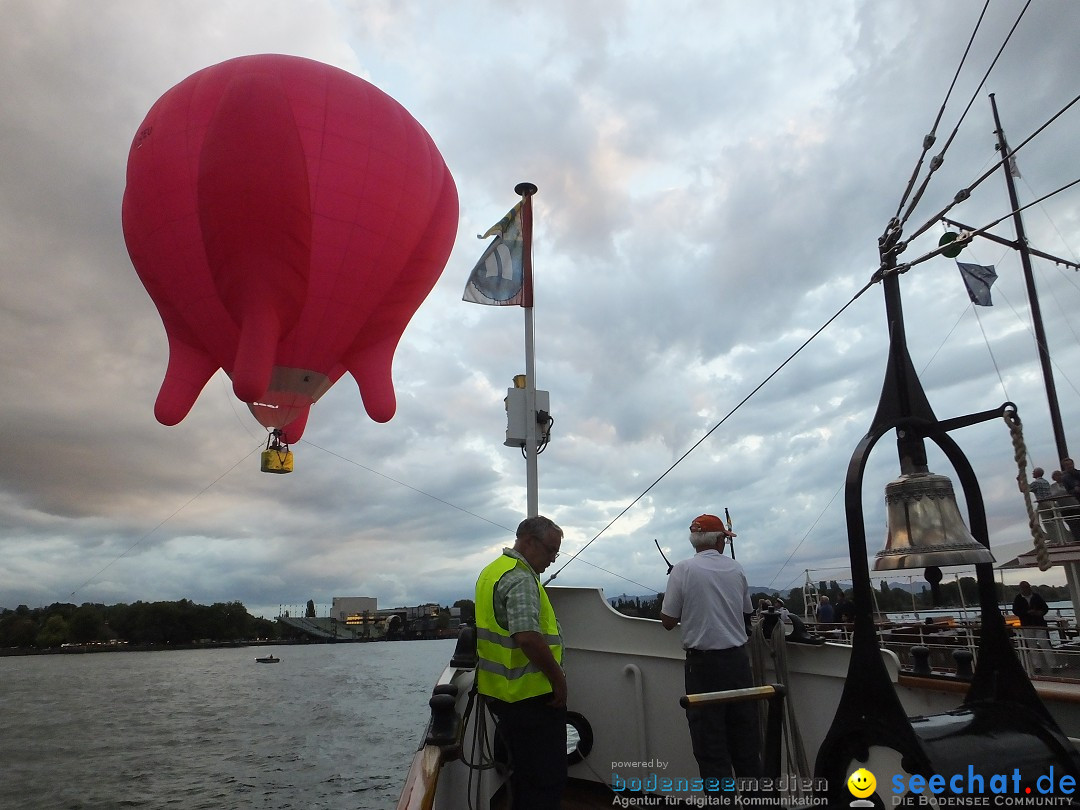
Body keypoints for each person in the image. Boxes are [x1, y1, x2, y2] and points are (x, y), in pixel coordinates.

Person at [660, 513, 762, 786]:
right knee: (746, 745)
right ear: (719, 540)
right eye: (725, 540)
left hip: (702, 669)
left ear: (695, 541)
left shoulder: (682, 570)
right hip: (738, 665)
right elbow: (746, 614)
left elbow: (668, 622)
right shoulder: (736, 569)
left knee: (711, 750)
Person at [475, 515, 567, 809]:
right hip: (531, 701)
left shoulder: (491, 572)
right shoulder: (520, 578)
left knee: (522, 780)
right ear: (529, 542)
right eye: (551, 550)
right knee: (544, 782)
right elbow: (527, 637)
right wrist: (558, 680)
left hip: (502, 696)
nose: (553, 558)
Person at [1012, 580, 1056, 674]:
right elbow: (1016, 611)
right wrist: (1026, 613)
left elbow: (1045, 608)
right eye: (1024, 588)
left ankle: (1053, 665)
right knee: (1032, 646)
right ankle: (1037, 666)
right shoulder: (1018, 598)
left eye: (1027, 587)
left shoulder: (1036, 596)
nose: (1026, 589)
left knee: (1044, 643)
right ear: (1021, 589)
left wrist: (1040, 612)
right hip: (1027, 624)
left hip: (1039, 623)